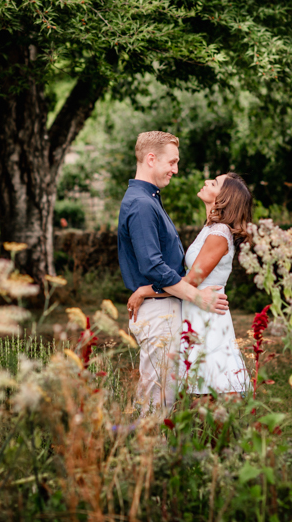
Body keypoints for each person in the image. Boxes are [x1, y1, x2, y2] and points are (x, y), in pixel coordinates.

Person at [118, 131, 229, 410]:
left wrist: (147, 291)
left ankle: (157, 450)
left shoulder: (150, 199)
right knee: (157, 400)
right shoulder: (142, 204)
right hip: (159, 315)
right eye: (172, 162)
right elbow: (153, 266)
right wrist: (195, 295)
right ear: (151, 159)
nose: (175, 170)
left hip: (164, 307)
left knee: (164, 398)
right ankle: (149, 453)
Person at [127, 172, 252, 397]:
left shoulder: (220, 234)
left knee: (209, 393)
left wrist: (144, 291)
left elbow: (189, 282)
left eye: (213, 183)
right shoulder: (210, 229)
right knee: (197, 393)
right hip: (195, 310)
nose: (206, 182)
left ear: (224, 198)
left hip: (207, 315)